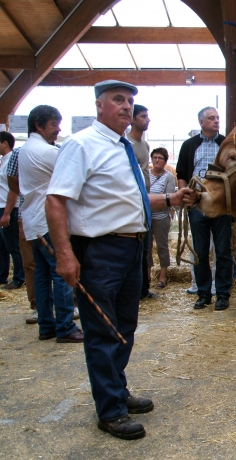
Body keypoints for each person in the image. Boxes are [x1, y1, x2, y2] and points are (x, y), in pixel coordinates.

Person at [46, 80, 195, 440]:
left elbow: (136, 201)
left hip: (131, 249)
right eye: (118, 100)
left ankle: (117, 389)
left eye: (130, 101)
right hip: (99, 251)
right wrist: (66, 256)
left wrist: (173, 199)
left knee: (124, 326)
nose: (126, 106)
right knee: (103, 330)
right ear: (99, 106)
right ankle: (109, 411)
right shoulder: (81, 145)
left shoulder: (124, 148)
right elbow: (55, 201)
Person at [18, 105, 82, 343]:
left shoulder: (26, 149)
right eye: (54, 124)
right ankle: (65, 327)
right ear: (39, 125)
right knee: (60, 275)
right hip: (46, 222)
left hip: (34, 221)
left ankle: (46, 325)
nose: (58, 129)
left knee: (43, 276)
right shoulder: (46, 152)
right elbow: (77, 174)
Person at [176, 107, 232, 311]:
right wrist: (185, 195)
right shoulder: (189, 145)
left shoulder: (225, 143)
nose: (216, 121)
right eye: (211, 118)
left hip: (219, 203)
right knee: (200, 251)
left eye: (217, 118)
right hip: (197, 203)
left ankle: (223, 294)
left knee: (223, 250)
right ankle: (203, 294)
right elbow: (182, 172)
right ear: (201, 122)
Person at [127, 104, 159, 299]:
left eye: (147, 116)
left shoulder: (144, 145)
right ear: (132, 119)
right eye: (143, 116)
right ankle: (133, 289)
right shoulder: (127, 144)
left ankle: (143, 289)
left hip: (146, 202)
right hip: (134, 203)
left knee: (146, 247)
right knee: (136, 247)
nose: (147, 119)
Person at [5, 147, 37, 322]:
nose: (58, 130)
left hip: (54, 217)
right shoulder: (20, 153)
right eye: (53, 125)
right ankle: (37, 306)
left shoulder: (58, 150)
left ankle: (66, 305)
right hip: (28, 215)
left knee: (59, 262)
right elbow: (13, 184)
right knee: (31, 263)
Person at [147, 148, 176, 288]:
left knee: (161, 246)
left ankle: (163, 276)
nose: (157, 160)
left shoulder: (169, 177)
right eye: (155, 157)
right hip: (147, 217)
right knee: (146, 247)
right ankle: (147, 275)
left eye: (160, 158)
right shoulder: (145, 174)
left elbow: (168, 198)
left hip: (161, 217)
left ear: (165, 161)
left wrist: (151, 202)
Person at [0, 131, 23, 290]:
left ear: (4, 143)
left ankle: (19, 277)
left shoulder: (11, 162)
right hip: (2, 206)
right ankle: (2, 275)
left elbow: (13, 189)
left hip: (8, 208)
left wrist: (7, 212)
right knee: (2, 245)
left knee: (13, 245)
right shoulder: (3, 161)